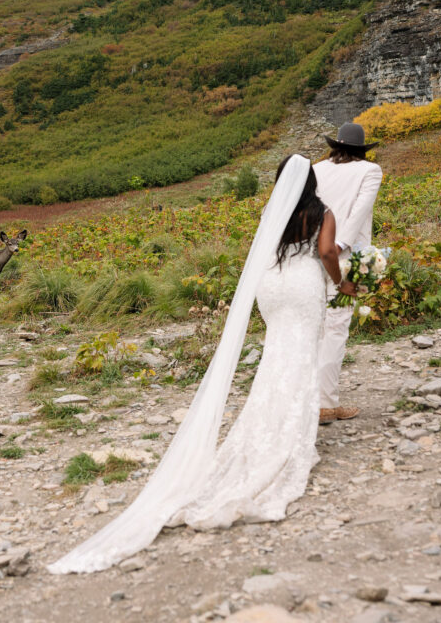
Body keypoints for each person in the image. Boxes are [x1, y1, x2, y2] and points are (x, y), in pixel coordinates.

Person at [48, 153, 346, 575]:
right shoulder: (322, 211)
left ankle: (268, 428)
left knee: (278, 356)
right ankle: (292, 438)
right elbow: (328, 250)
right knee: (299, 358)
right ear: (312, 180)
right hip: (302, 286)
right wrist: (342, 281)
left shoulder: (277, 211)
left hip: (273, 287)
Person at [314, 123, 382, 424]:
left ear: (335, 145)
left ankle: (308, 397)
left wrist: (321, 246)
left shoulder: (316, 169)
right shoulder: (370, 171)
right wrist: (340, 245)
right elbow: (359, 210)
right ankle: (325, 404)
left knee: (314, 326)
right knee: (336, 327)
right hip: (344, 257)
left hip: (311, 253)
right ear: (361, 149)